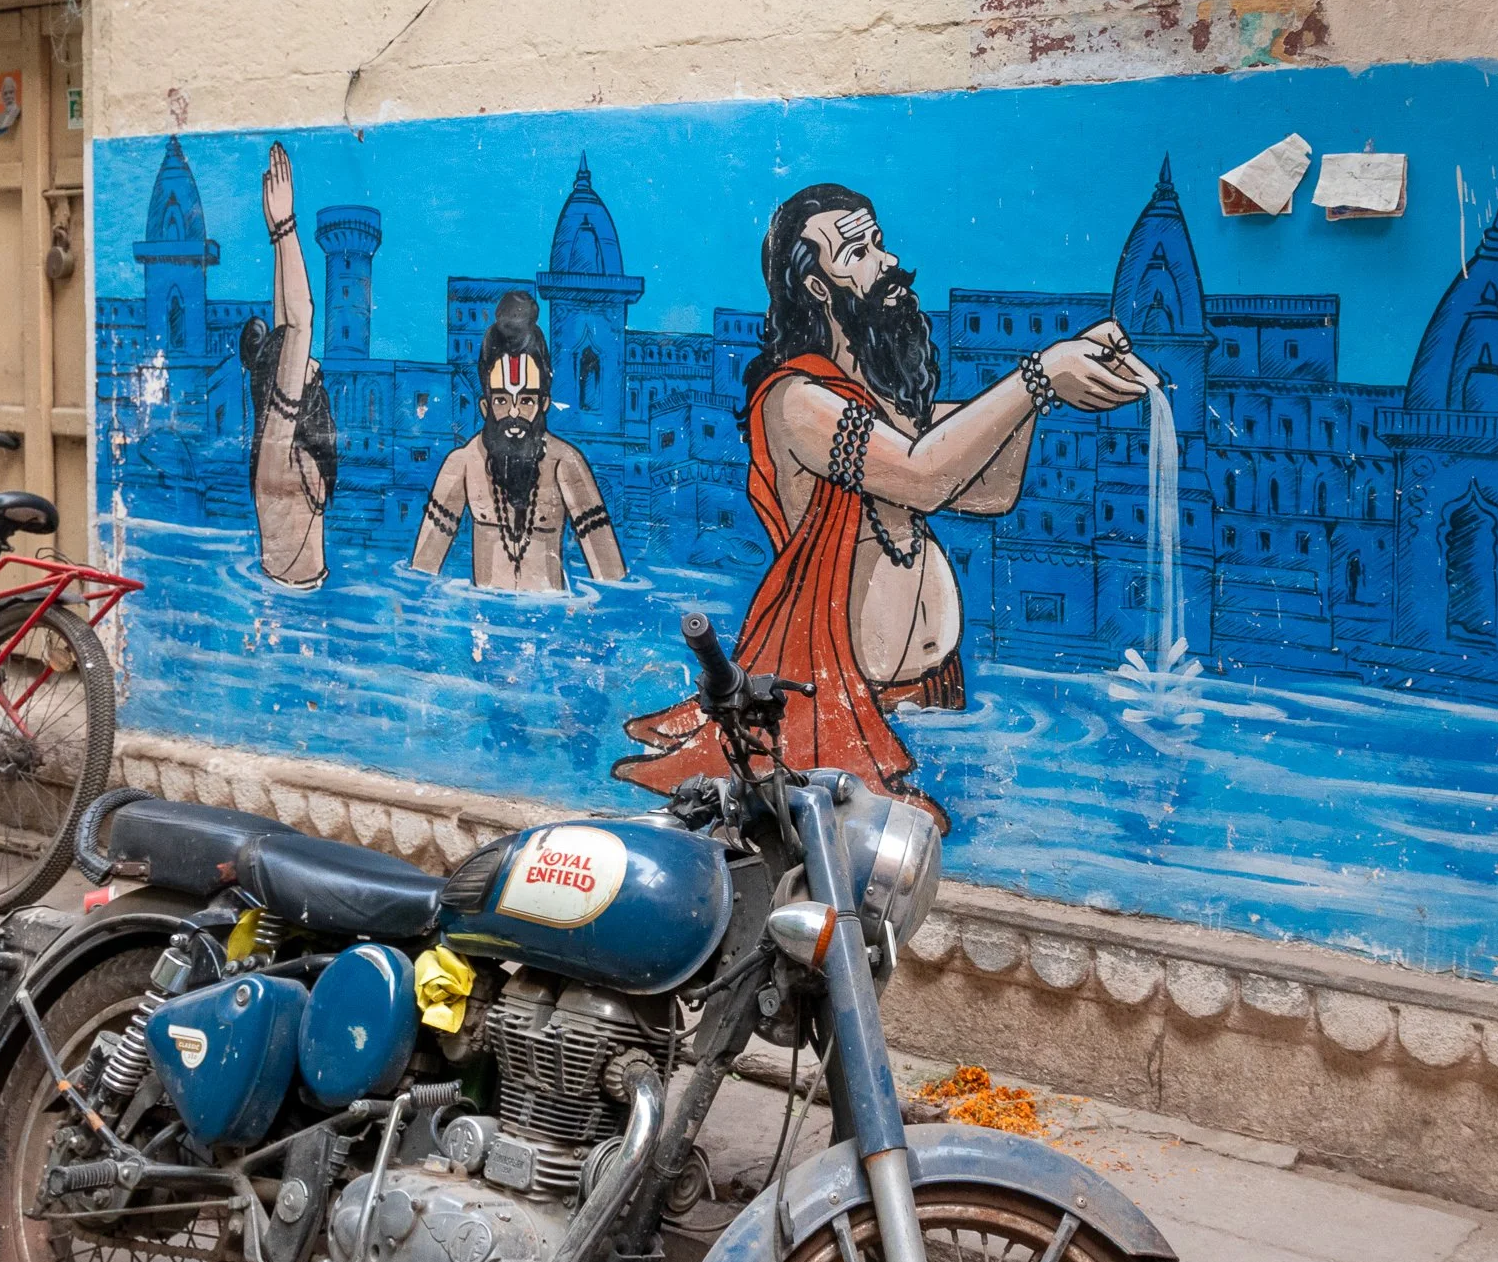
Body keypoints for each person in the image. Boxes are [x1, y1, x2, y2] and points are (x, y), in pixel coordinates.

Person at [616, 183, 1142, 821]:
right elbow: (924, 476)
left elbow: (990, 488)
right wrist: (1036, 379)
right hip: (841, 711)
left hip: (931, 697)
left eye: (880, 243)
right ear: (817, 288)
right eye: (859, 251)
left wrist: (1055, 383)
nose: (887, 262)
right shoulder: (796, 402)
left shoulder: (884, 410)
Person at [410, 290, 627, 592]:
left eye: (526, 400)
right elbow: (420, 575)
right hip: (484, 626)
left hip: (549, 625)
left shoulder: (566, 464)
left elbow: (611, 575)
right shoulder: (462, 464)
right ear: (485, 407)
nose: (513, 413)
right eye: (501, 400)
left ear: (544, 404)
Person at [241, 142, 336, 589]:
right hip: (287, 604)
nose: (312, 366)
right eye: (302, 364)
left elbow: (286, 327)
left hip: (307, 597)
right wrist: (285, 229)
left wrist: (275, 242)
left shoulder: (286, 442)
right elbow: (299, 324)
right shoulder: (275, 450)